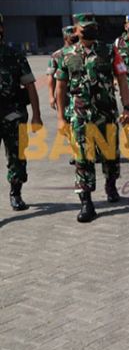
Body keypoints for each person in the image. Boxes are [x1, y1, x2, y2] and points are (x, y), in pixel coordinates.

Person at [54, 13, 129, 222]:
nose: (88, 30)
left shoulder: (109, 50)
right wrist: (61, 117)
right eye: (84, 27)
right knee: (82, 157)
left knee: (110, 154)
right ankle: (86, 202)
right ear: (76, 29)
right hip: (79, 114)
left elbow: (122, 79)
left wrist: (127, 107)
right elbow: (60, 88)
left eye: (92, 27)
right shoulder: (66, 55)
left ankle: (111, 185)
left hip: (106, 113)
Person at [0, 13, 42, 211]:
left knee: (17, 156)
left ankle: (15, 193)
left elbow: (30, 86)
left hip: (13, 115)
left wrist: (36, 115)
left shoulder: (14, 56)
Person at [47, 26, 78, 110]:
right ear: (65, 37)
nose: (74, 39)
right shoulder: (57, 55)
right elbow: (51, 77)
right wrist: (51, 96)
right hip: (65, 96)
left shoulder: (80, 53)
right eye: (71, 37)